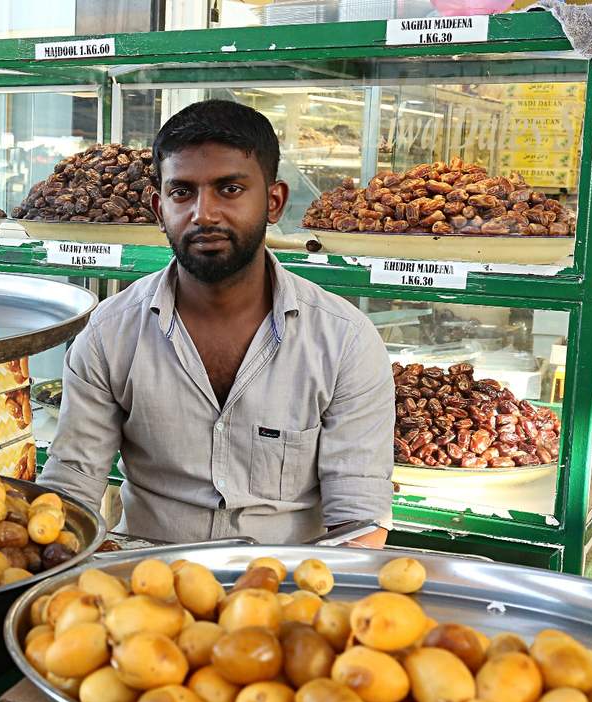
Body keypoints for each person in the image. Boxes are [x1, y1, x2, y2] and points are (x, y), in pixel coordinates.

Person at [38, 100, 394, 547]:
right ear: (158, 205)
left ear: (275, 201)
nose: (203, 214)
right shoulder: (110, 334)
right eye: (182, 192)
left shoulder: (344, 341)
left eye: (229, 189)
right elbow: (71, 490)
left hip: (287, 591)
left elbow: (359, 522)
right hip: (146, 585)